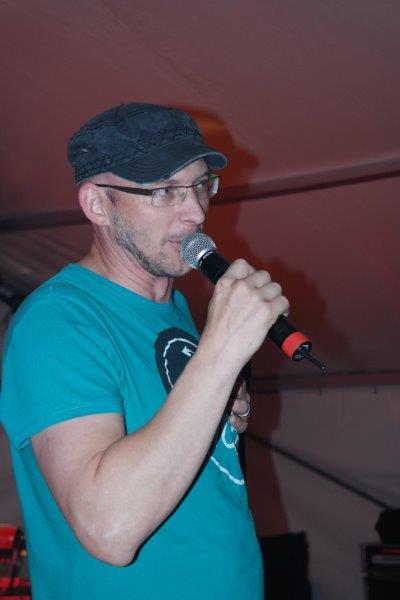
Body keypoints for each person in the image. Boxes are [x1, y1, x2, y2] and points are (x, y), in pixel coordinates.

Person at [0, 103, 289, 599]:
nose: (196, 212)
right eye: (164, 191)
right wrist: (220, 353)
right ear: (97, 204)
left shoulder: (176, 310)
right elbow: (109, 529)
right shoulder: (57, 320)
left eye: (201, 185)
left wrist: (220, 393)